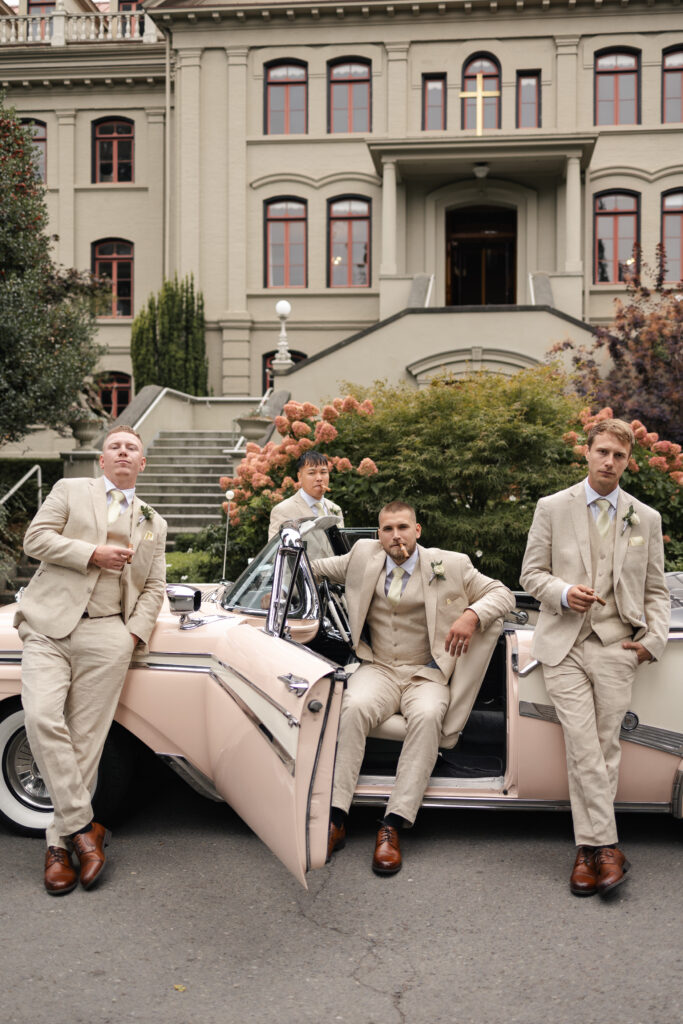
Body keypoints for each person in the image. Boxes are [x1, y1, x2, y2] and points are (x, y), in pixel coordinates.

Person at [311, 500, 514, 875]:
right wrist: (278, 556)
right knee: (352, 706)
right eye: (387, 529)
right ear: (378, 535)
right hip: (381, 667)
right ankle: (335, 817)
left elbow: (502, 594)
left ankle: (392, 825)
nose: (395, 536)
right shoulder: (361, 556)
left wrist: (471, 615)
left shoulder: (450, 564)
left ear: (417, 531)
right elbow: (311, 569)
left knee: (427, 716)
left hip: (428, 671)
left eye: (403, 527)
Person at [15, 425, 167, 895]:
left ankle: (57, 848)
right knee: (41, 718)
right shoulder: (69, 490)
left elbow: (154, 588)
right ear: (102, 461)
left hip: (108, 635)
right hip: (48, 626)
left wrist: (132, 635)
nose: (123, 453)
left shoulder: (153, 523)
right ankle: (84, 829)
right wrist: (91, 554)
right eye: (115, 447)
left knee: (87, 743)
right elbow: (34, 539)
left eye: (132, 449)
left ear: (141, 464)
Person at [520, 418, 670, 897]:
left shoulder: (645, 518)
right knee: (584, 745)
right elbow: (530, 574)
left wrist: (653, 641)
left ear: (629, 461)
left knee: (606, 747)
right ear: (586, 452)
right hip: (562, 645)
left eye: (619, 456)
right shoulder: (552, 508)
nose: (609, 462)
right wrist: (563, 593)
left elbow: (656, 590)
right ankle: (605, 846)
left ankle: (587, 855)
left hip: (616, 646)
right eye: (602, 452)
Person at [268, 450, 344, 540]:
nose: (319, 478)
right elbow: (278, 551)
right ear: (300, 477)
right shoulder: (283, 510)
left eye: (323, 472)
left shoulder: (335, 509)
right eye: (312, 473)